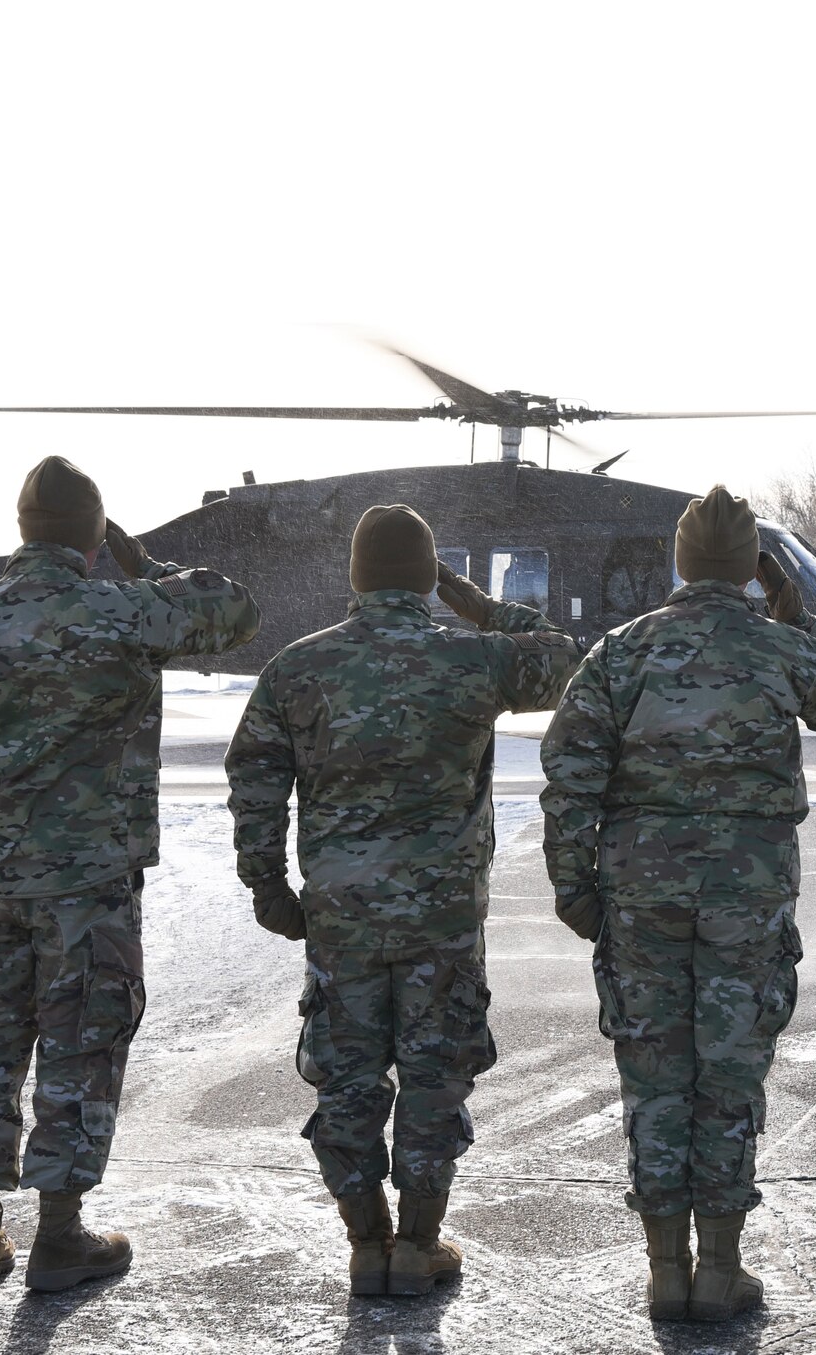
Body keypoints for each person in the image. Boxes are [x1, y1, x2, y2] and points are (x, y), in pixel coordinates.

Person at [0, 456, 260, 1292]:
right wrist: (141, 562)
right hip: (86, 889)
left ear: (21, 530)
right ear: (92, 535)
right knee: (79, 1051)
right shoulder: (126, 612)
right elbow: (234, 609)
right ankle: (60, 1236)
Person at [540, 485, 816, 1324]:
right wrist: (798, 619)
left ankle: (664, 1269)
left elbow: (569, 773)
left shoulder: (622, 651)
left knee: (654, 1077)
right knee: (728, 1076)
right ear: (751, 570)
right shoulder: (777, 647)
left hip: (640, 895)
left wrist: (575, 886)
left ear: (681, 564)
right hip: (746, 897)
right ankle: (720, 1269)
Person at [226, 504, 580, 1296]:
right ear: (427, 579)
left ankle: (365, 1243)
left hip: (340, 920)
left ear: (355, 579)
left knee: (347, 1081)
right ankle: (419, 1245)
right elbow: (563, 653)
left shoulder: (298, 668)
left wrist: (269, 887)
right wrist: (474, 601)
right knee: (433, 1076)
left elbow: (254, 782)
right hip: (442, 918)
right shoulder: (474, 660)